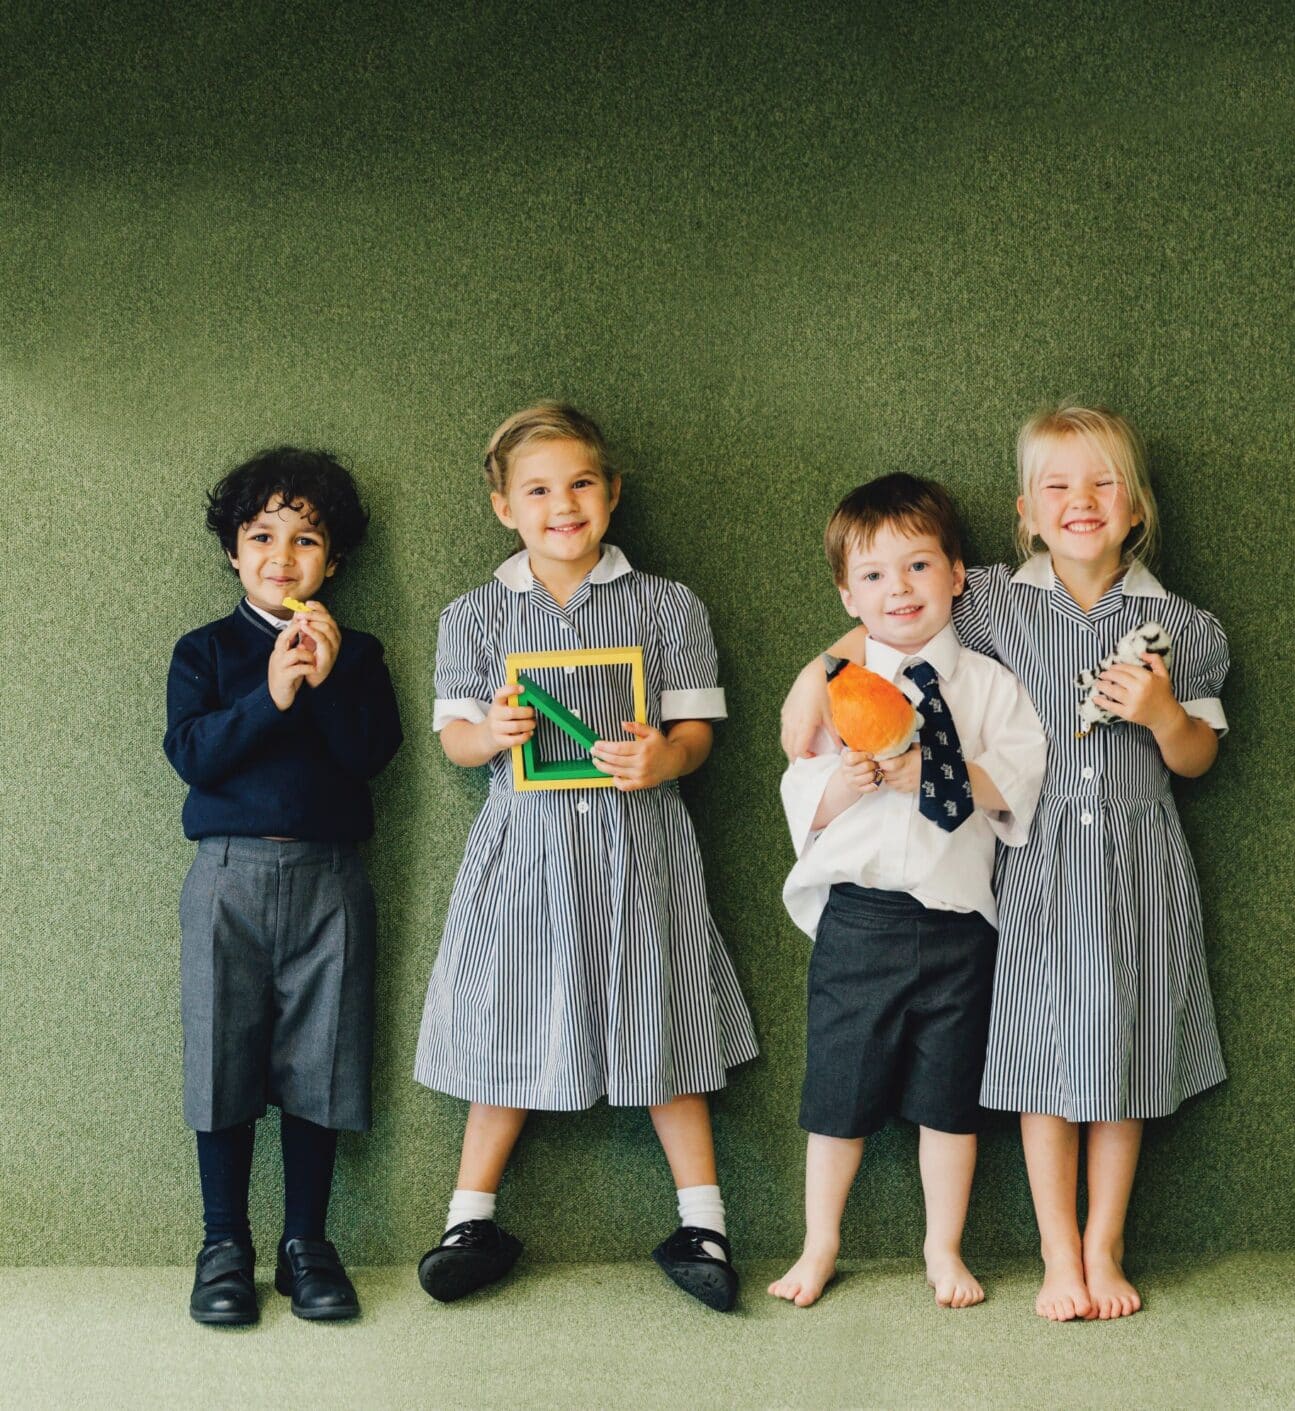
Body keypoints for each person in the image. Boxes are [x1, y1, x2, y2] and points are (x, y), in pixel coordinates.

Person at [781, 406, 1230, 1321]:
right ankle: (1057, 1252)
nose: (1081, 500)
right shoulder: (989, 596)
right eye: (1057, 485)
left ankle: (1102, 1245)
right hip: (1033, 861)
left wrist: (1161, 714)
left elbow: (1197, 758)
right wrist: (812, 679)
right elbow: (890, 616)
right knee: (1038, 1051)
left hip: (1138, 860)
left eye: (1103, 481)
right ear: (1026, 512)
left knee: (1128, 1045)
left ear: (1136, 506)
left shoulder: (1186, 626)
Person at [413, 403, 758, 1311]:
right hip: (525, 852)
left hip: (640, 848)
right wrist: (490, 734)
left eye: (579, 484)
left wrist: (664, 758)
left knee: (662, 1015)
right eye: (536, 490)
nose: (561, 505)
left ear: (611, 492)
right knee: (508, 1016)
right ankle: (468, 1219)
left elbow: (696, 733)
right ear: (504, 508)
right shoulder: (474, 614)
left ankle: (704, 1222)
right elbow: (454, 739)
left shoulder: (668, 604)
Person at [769, 474, 1045, 1309]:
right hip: (861, 918)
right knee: (837, 1093)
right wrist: (845, 782)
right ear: (848, 596)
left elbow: (1016, 780)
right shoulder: (837, 689)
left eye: (919, 565)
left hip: (959, 923)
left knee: (949, 1100)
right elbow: (800, 790)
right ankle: (820, 1242)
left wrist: (936, 769)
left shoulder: (990, 685)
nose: (900, 588)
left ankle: (943, 1247)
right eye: (875, 575)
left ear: (957, 575)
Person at [164, 447, 402, 1325]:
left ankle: (308, 1243)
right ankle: (223, 1242)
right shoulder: (205, 651)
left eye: (306, 539)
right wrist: (270, 694)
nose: (282, 555)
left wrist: (326, 681)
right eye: (262, 536)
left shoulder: (359, 653)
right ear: (234, 551)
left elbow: (371, 754)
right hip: (225, 875)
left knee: (323, 1058)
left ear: (332, 562)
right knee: (219, 1053)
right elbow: (192, 754)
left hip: (330, 878)